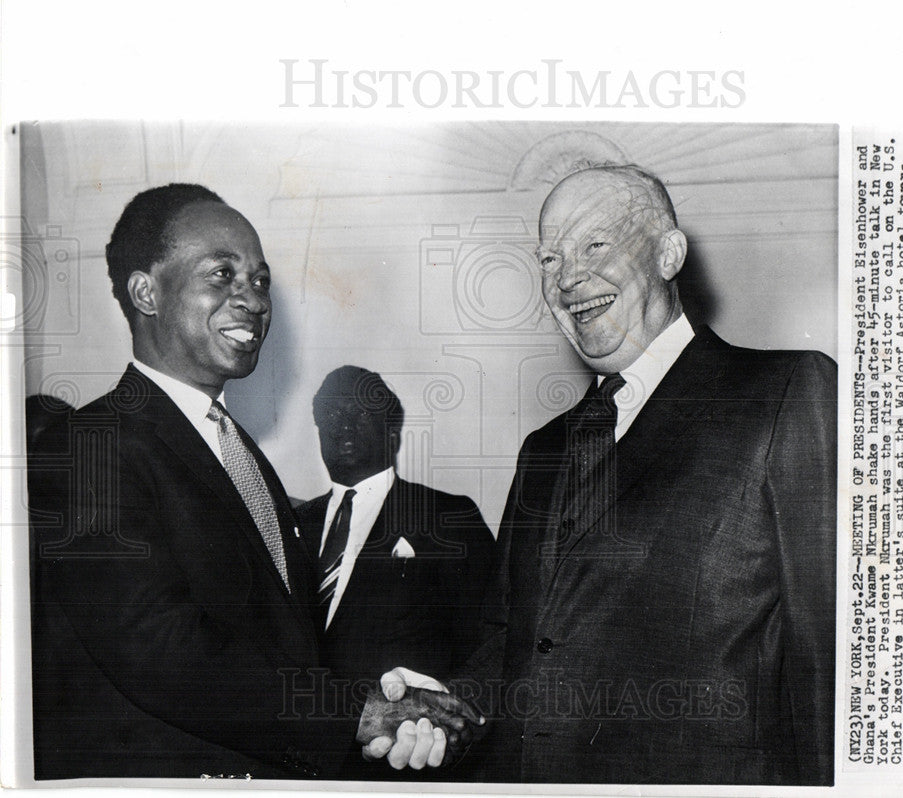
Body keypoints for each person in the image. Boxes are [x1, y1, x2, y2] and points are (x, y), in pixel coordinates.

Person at [27, 184, 476, 780]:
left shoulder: (240, 452)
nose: (253, 300)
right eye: (222, 274)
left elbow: (284, 644)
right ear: (146, 292)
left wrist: (385, 698)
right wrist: (358, 714)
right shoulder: (91, 444)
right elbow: (158, 651)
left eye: (260, 281)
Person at [451, 165, 836, 785]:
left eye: (595, 244)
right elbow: (513, 640)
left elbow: (830, 657)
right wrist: (445, 707)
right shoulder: (542, 450)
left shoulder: (786, 393)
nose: (570, 276)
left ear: (667, 253)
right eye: (550, 259)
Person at [296, 366, 496, 774]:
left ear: (391, 428)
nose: (345, 423)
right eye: (331, 414)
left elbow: (492, 638)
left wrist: (449, 720)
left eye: (363, 411)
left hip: (406, 760)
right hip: (298, 754)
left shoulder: (447, 516)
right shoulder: (293, 521)